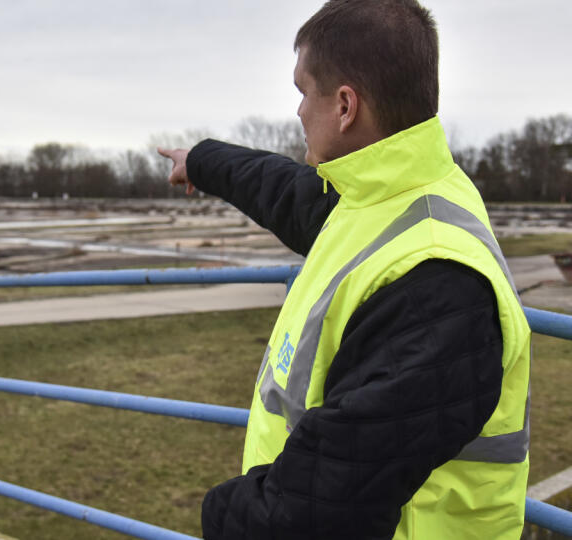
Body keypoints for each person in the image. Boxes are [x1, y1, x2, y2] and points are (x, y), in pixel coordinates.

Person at [157, 1, 531, 539]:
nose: (299, 110)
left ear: (346, 106)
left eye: (304, 91)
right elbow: (283, 190)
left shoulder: (436, 284)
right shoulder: (390, 195)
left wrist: (216, 516)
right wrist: (202, 161)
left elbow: (321, 511)